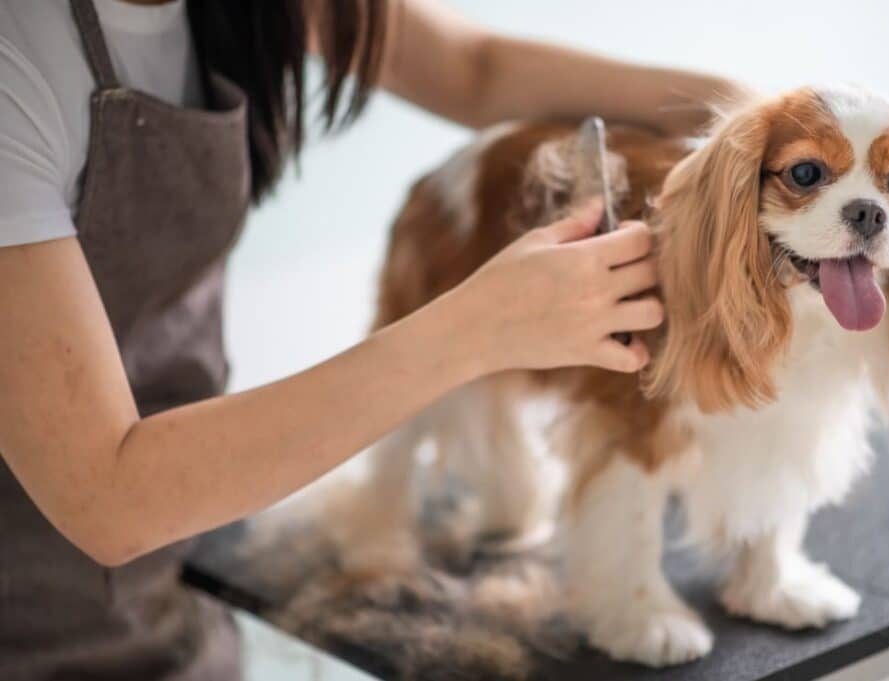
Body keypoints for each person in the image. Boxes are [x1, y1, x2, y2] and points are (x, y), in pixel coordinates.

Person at [0, 0, 744, 678]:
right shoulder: (18, 63)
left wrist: (743, 118)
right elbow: (108, 496)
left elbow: (473, 70)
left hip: (175, 600)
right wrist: (477, 326)